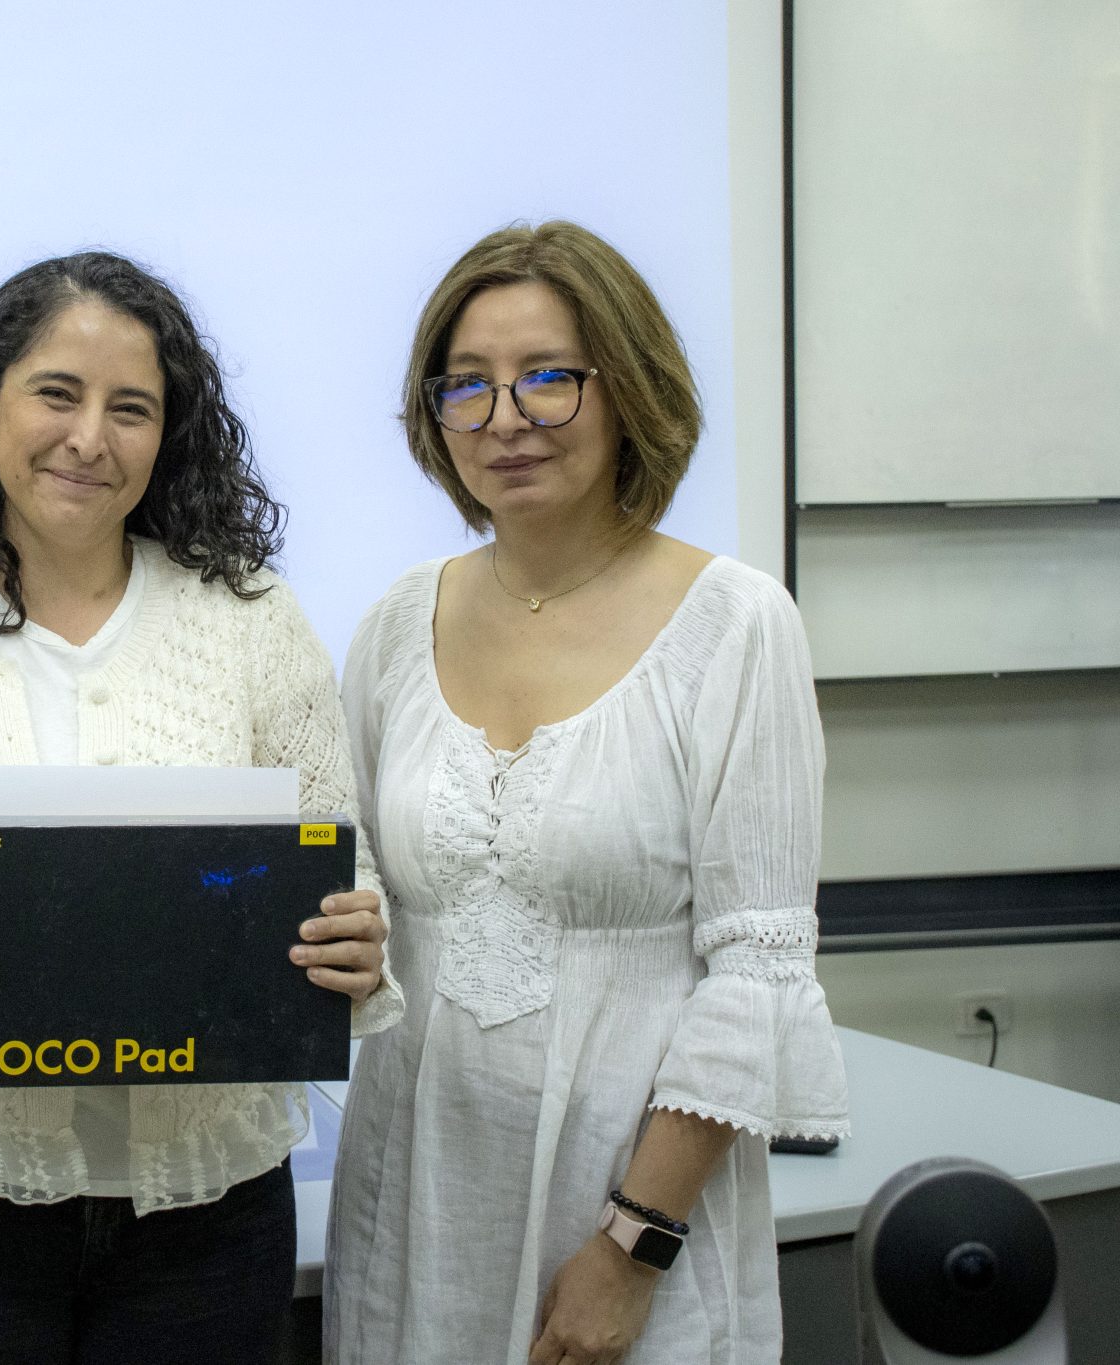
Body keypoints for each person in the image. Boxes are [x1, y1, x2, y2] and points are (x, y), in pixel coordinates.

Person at [0, 250, 403, 1363]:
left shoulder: (253, 623)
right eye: (55, 393)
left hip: (209, 1214)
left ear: (168, 433)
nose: (88, 438)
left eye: (131, 409)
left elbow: (336, 872)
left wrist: (354, 936)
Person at [323, 221, 851, 1365]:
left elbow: (755, 978)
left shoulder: (733, 627)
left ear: (629, 388)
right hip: (413, 1209)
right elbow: (350, 891)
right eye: (466, 385)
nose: (503, 418)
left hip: (629, 1224)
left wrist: (629, 1248)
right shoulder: (394, 625)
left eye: (547, 377)